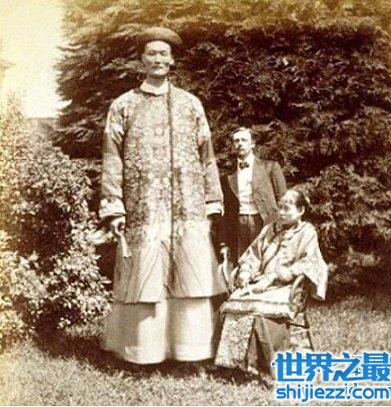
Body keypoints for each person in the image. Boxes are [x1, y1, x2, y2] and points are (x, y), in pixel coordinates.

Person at [99, 26, 227, 366]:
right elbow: (112, 159)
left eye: (163, 54)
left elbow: (207, 156)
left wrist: (212, 201)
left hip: (187, 208)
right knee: (145, 278)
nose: (157, 59)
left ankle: (191, 353)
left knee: (190, 278)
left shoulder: (190, 104)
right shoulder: (123, 106)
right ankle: (143, 354)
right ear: (142, 59)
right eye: (151, 53)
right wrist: (114, 206)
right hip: (144, 209)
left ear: (172, 61)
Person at [215, 189, 328, 378]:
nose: (281, 213)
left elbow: (310, 262)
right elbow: (253, 255)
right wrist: (245, 273)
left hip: (287, 287)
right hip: (260, 282)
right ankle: (232, 364)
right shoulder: (270, 229)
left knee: (257, 310)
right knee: (232, 305)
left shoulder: (307, 232)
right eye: (280, 208)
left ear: (301, 210)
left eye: (287, 208)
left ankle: (258, 364)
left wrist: (277, 276)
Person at [220, 127, 287, 263]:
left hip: (264, 221)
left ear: (252, 144)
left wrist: (283, 226)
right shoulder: (228, 176)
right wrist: (224, 240)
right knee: (242, 262)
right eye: (236, 141)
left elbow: (284, 200)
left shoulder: (270, 167)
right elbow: (227, 210)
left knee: (267, 260)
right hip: (239, 224)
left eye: (244, 140)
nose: (240, 144)